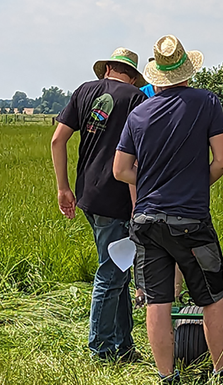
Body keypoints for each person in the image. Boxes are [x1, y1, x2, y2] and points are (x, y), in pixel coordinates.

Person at [113, 35, 223, 383]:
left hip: (147, 221)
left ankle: (167, 376)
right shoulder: (206, 102)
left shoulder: (139, 113)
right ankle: (222, 372)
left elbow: (121, 170)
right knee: (212, 298)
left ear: (155, 75)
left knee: (158, 301)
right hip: (190, 220)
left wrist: (153, 183)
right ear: (186, 71)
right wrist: (195, 184)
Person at [51, 47, 147, 361]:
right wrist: (137, 204)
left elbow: (57, 140)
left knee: (119, 269)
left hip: (87, 195)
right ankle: (101, 349)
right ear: (133, 76)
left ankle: (124, 345)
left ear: (107, 68)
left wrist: (63, 188)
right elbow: (136, 158)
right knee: (111, 273)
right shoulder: (136, 99)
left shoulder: (83, 92)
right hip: (117, 196)